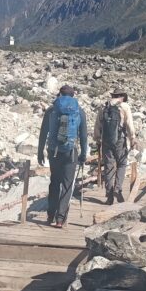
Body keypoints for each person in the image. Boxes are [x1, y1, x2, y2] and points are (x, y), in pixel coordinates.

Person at [37, 85, 88, 228]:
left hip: (54, 151)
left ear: (59, 94)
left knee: (54, 182)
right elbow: (83, 136)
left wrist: (40, 151)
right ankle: (60, 219)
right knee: (67, 184)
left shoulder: (52, 110)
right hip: (71, 153)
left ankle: (50, 215)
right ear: (73, 96)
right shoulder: (79, 112)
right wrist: (83, 154)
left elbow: (43, 133)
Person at [94, 88, 137, 204]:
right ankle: (117, 188)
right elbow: (129, 124)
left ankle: (109, 194)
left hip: (106, 140)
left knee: (108, 166)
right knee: (122, 164)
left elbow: (98, 124)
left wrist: (97, 139)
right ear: (122, 96)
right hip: (120, 140)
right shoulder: (124, 106)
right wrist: (132, 138)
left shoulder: (104, 106)